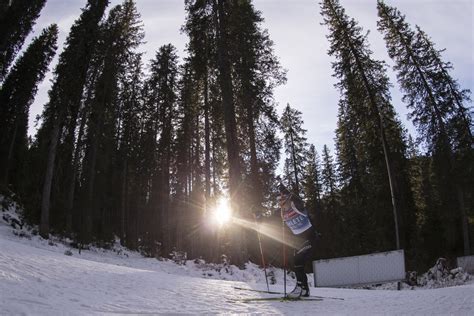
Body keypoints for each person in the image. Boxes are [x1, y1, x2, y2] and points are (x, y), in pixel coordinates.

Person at [278, 183, 315, 298]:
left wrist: (286, 190)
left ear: (289, 201)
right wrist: (258, 217)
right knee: (298, 264)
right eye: (281, 204)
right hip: (300, 241)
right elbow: (270, 219)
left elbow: (299, 201)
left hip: (310, 238)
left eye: (284, 202)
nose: (283, 205)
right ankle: (304, 290)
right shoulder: (283, 214)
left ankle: (299, 288)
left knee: (297, 261)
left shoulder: (297, 207)